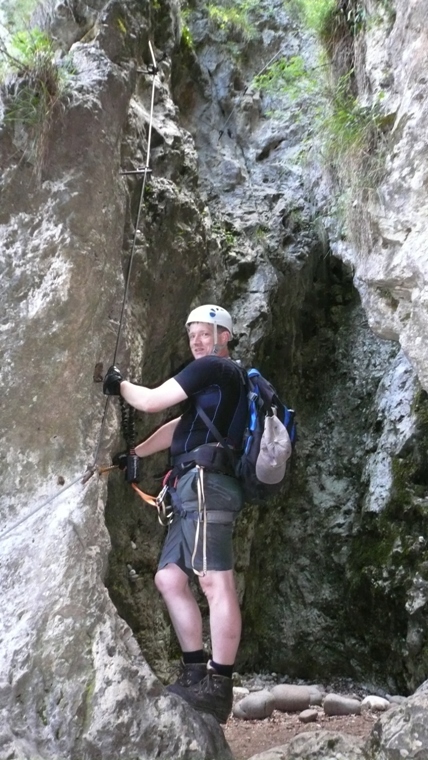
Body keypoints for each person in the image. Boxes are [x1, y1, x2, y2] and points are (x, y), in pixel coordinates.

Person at [103, 304, 248, 723]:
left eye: (206, 333)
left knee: (214, 581)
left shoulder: (218, 370)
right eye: (192, 335)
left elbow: (150, 402)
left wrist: (119, 384)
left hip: (208, 484)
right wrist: (136, 453)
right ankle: (193, 672)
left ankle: (219, 686)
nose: (198, 341)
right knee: (169, 578)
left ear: (225, 336)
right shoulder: (216, 386)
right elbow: (179, 427)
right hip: (189, 487)